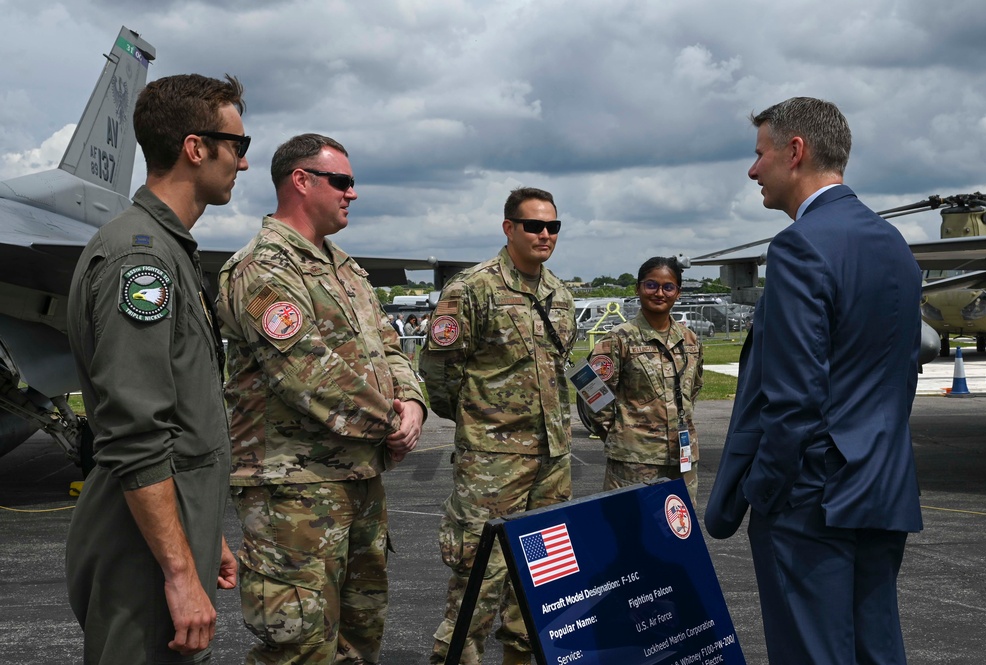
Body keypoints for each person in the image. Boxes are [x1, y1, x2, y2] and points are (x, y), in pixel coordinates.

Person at [704, 97, 923, 665]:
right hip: (882, 485)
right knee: (877, 648)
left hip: (812, 499)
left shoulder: (801, 245)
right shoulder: (894, 247)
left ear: (794, 152)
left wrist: (765, 492)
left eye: (759, 154)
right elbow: (900, 374)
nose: (753, 170)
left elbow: (795, 398)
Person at [216, 133, 426, 665]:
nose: (352, 193)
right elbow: (307, 373)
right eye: (343, 182)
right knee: (300, 648)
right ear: (301, 181)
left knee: (359, 638)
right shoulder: (262, 267)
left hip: (357, 481)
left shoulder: (346, 269)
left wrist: (413, 407)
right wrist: (390, 423)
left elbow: (392, 347)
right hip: (292, 491)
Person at [65, 74, 249, 663]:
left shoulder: (166, 249)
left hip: (162, 531)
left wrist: (203, 529)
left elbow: (180, 419)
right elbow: (137, 432)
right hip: (138, 550)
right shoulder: (140, 259)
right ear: (196, 149)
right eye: (237, 147)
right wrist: (178, 571)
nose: (243, 165)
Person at [420, 187, 577, 665]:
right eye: (534, 225)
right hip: (493, 461)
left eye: (552, 226)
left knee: (543, 581)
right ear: (509, 228)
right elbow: (437, 372)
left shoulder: (560, 294)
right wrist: (479, 424)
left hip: (552, 461)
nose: (544, 235)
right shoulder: (472, 289)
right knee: (479, 578)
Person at [584, 256, 704, 506]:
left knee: (680, 533)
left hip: (683, 458)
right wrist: (621, 435)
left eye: (668, 287)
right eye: (651, 285)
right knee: (629, 534)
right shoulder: (617, 339)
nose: (660, 293)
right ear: (638, 289)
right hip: (634, 461)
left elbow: (692, 390)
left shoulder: (690, 340)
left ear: (678, 293)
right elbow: (592, 396)